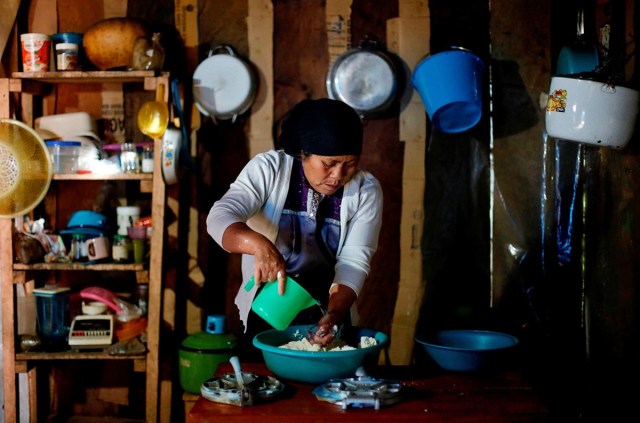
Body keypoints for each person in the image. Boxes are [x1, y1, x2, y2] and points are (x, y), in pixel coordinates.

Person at [206, 98, 383, 354]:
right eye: (329, 163)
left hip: (330, 307)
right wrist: (258, 245)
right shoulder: (270, 169)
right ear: (303, 153)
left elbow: (354, 260)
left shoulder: (365, 189)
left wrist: (335, 313)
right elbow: (219, 217)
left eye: (350, 164)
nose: (338, 175)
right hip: (268, 307)